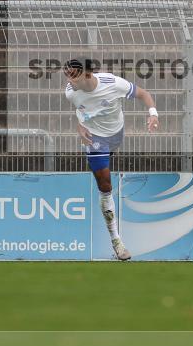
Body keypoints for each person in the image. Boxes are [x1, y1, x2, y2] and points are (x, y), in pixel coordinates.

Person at [63, 59, 159, 261]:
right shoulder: (70, 92)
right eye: (67, 74)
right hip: (95, 138)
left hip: (116, 133)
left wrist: (153, 113)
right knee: (105, 184)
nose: (69, 80)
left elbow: (143, 94)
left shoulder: (113, 83)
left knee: (108, 163)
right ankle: (116, 241)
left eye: (73, 75)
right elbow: (80, 108)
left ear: (87, 75)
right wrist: (80, 126)